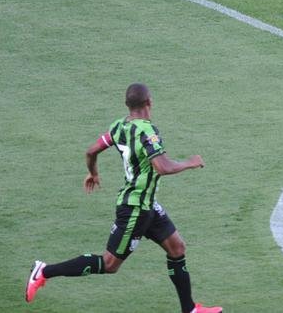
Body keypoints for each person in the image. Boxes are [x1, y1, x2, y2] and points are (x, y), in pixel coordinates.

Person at [24, 83, 220, 312]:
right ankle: (44, 271)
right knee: (109, 264)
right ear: (149, 103)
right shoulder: (147, 131)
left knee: (177, 248)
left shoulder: (119, 127)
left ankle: (190, 309)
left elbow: (91, 151)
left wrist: (93, 173)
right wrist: (190, 162)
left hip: (147, 204)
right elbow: (162, 167)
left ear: (128, 105)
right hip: (135, 208)